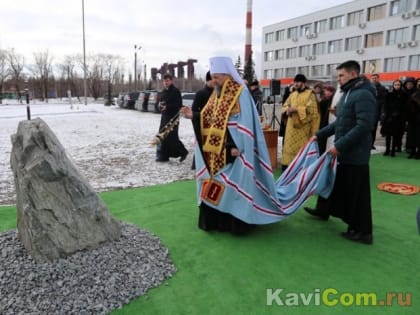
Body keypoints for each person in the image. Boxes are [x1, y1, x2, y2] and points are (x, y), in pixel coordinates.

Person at [304, 60, 376, 245]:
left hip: (355, 154)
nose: (338, 79)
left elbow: (363, 126)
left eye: (341, 75)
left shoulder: (363, 94)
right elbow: (340, 123)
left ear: (353, 74)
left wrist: (340, 146)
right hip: (345, 151)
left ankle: (362, 231)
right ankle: (324, 210)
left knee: (357, 194)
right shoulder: (347, 93)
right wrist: (318, 135)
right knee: (335, 182)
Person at [280, 74, 320, 171]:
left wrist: (297, 109)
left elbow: (313, 112)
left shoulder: (310, 94)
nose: (295, 84)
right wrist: (287, 110)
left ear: (303, 83)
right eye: (295, 82)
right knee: (288, 151)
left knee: (300, 152)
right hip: (290, 129)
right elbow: (284, 106)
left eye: (297, 82)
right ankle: (286, 171)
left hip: (303, 129)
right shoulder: (293, 94)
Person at [155, 73, 188, 162]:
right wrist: (159, 105)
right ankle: (164, 156)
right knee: (163, 136)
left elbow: (179, 105)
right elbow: (159, 102)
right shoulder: (163, 91)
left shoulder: (176, 91)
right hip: (164, 117)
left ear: (171, 81)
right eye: (164, 81)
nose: (166, 82)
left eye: (167, 81)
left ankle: (183, 152)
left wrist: (168, 107)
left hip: (173, 118)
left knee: (172, 137)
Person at [190, 71, 215, 169]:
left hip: (216, 127)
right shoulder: (201, 94)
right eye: (214, 79)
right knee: (201, 149)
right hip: (203, 127)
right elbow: (194, 111)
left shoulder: (218, 93)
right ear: (209, 80)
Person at [381, 80, 407, 157]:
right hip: (389, 118)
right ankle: (387, 150)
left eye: (398, 84)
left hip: (398, 119)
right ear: (393, 85)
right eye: (395, 84)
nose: (397, 86)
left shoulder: (404, 95)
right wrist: (387, 114)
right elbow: (385, 105)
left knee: (395, 135)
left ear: (401, 85)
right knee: (388, 135)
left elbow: (404, 107)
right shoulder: (389, 94)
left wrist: (398, 114)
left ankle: (393, 150)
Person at [369, 73, 387, 150]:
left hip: (376, 111)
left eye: (376, 78)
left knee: (373, 129)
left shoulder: (382, 88)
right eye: (373, 78)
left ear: (378, 79)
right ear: (370, 79)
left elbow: (383, 101)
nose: (374, 79)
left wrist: (382, 113)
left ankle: (371, 144)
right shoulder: (367, 88)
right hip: (367, 110)